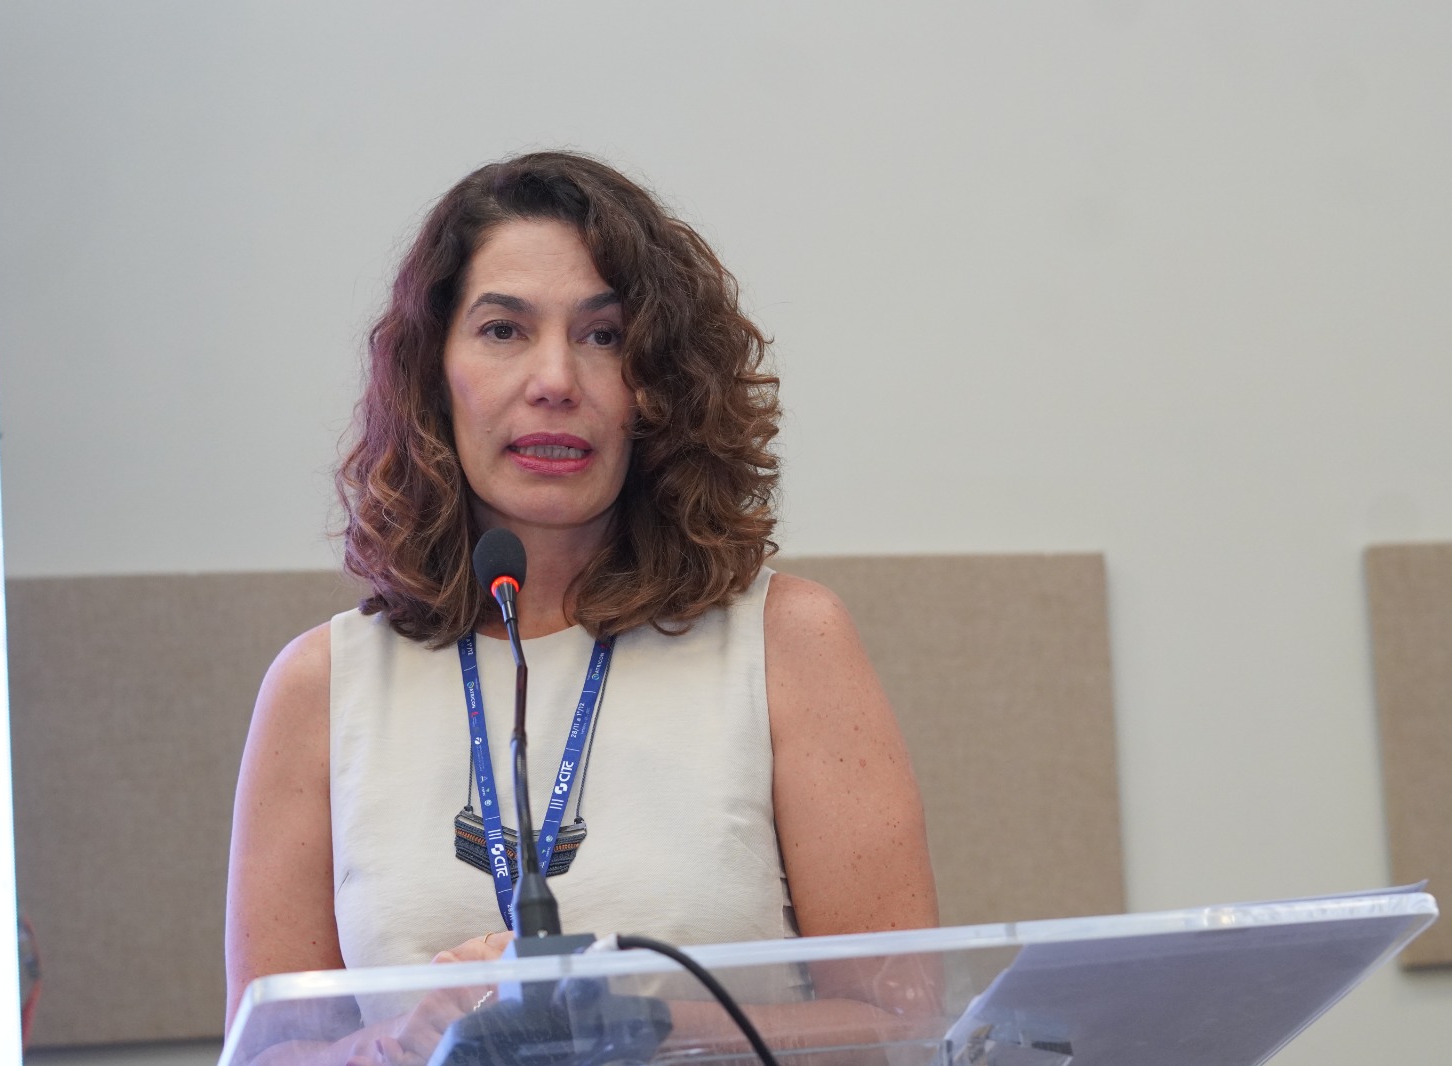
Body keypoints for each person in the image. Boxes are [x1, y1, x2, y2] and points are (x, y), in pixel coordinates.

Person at [224, 151, 939, 1062]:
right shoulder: (321, 687)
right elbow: (268, 1053)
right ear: (433, 373)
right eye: (503, 330)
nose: (556, 378)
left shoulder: (787, 643)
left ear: (659, 385)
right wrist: (407, 1043)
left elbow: (905, 1020)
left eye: (604, 336)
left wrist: (633, 1019)